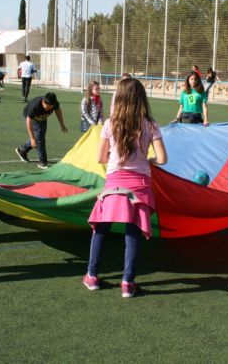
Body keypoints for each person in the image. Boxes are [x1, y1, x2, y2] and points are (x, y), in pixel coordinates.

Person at [82, 76, 168, 298]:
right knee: (133, 232)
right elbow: (163, 158)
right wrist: (149, 161)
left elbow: (101, 157)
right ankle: (128, 283)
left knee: (100, 228)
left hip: (113, 184)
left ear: (118, 98)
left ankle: (92, 276)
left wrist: (114, 155)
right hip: (139, 186)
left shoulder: (110, 124)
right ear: (141, 99)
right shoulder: (151, 124)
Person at [15, 93, 68, 169]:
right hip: (31, 118)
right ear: (43, 102)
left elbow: (58, 111)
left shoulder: (55, 103)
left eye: (50, 107)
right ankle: (43, 162)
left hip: (42, 119)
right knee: (39, 139)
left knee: (39, 137)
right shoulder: (35, 106)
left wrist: (62, 125)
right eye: (47, 107)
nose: (48, 109)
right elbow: (28, 122)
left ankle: (22, 150)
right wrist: (32, 139)